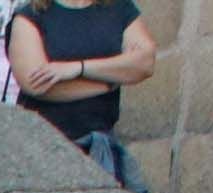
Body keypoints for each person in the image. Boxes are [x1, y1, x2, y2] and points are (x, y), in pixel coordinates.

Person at [12, 0, 158, 182]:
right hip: (43, 148)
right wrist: (110, 81)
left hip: (99, 148)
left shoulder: (119, 9)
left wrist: (78, 68)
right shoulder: (31, 14)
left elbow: (145, 63)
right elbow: (36, 83)